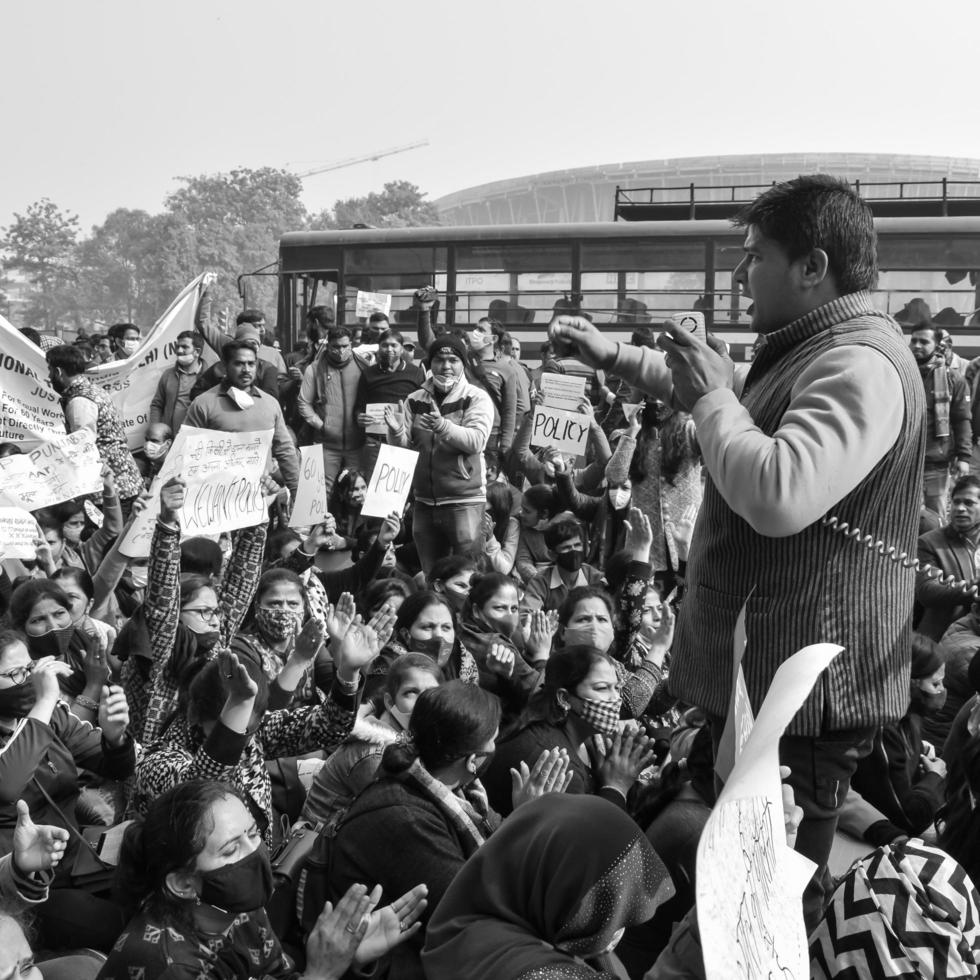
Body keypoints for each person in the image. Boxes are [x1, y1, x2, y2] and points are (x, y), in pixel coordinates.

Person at [549, 174, 927, 929]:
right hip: (768, 688)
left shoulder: (859, 366)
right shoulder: (818, 350)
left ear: (812, 266)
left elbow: (779, 491)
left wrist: (716, 399)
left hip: (802, 706)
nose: (738, 276)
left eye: (753, 257)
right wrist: (613, 354)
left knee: (766, 910)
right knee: (733, 878)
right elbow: (724, 387)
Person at [321, 681, 570, 980]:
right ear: (473, 760)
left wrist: (526, 816)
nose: (496, 747)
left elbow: (496, 845)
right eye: (493, 739)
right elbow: (475, 910)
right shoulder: (405, 818)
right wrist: (529, 824)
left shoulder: (461, 794)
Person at [104, 779, 427, 980]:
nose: (254, 852)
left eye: (253, 834)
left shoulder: (240, 907)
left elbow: (277, 974)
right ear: (184, 884)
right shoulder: (167, 966)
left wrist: (347, 958)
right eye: (231, 849)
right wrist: (322, 974)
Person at [421, 793, 673, 980]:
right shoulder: (546, 973)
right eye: (611, 913)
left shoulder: (469, 927)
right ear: (565, 893)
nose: (617, 932)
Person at [482, 646, 655, 817]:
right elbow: (581, 839)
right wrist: (616, 786)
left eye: (616, 688)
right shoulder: (559, 765)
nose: (615, 699)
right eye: (602, 688)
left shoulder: (587, 741)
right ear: (564, 698)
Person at [386, 335, 494, 577]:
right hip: (423, 503)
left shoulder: (476, 397)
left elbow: (477, 441)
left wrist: (442, 426)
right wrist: (395, 432)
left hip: (464, 501)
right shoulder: (414, 400)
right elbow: (403, 449)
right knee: (433, 575)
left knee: (470, 575)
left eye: (453, 360)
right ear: (429, 364)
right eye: (439, 360)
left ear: (463, 364)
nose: (446, 366)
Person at [300, 653, 443, 830]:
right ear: (390, 702)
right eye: (411, 692)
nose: (422, 702)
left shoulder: (408, 741)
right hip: (322, 848)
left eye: (431, 693)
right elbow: (403, 819)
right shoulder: (375, 753)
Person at [850, 634, 947, 836]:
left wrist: (921, 754)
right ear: (909, 683)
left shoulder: (908, 716)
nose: (942, 691)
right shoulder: (881, 731)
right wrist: (934, 777)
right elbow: (909, 817)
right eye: (936, 684)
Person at [183, 339, 299, 496]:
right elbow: (187, 453)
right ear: (225, 366)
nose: (246, 370)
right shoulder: (203, 404)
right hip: (217, 498)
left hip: (260, 499)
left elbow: (285, 450)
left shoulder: (270, 404)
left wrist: (298, 492)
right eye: (239, 364)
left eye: (251, 364)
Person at [45, 345, 144, 516]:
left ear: (59, 372)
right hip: (125, 482)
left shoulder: (80, 401)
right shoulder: (93, 390)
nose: (49, 376)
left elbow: (83, 447)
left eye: (50, 370)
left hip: (110, 489)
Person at [910, 322, 972, 520]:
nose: (917, 345)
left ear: (936, 346)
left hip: (935, 463)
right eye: (914, 340)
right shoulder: (901, 373)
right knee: (904, 516)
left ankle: (933, 552)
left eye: (923, 341)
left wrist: (963, 457)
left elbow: (961, 420)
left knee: (935, 516)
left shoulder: (953, 379)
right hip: (903, 461)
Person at [298, 326, 367, 495]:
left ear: (351, 345)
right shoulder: (314, 369)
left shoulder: (363, 367)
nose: (341, 351)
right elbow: (303, 403)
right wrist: (321, 425)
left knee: (356, 492)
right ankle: (324, 523)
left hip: (357, 444)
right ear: (328, 346)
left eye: (345, 346)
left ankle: (352, 523)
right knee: (321, 494)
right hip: (326, 444)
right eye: (336, 347)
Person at [915, 474, 980, 641]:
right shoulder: (929, 542)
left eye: (969, 503)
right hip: (946, 637)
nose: (959, 508)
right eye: (956, 502)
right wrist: (974, 587)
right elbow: (927, 591)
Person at [354, 328, 425, 479]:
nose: (389, 349)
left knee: (402, 493)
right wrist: (359, 418)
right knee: (372, 490)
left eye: (394, 345)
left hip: (404, 443)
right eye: (385, 345)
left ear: (401, 349)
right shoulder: (368, 374)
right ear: (379, 348)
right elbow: (359, 406)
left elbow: (423, 408)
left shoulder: (416, 373)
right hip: (375, 443)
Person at [522, 518, 604, 613]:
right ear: (552, 555)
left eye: (577, 545)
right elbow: (526, 615)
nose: (574, 551)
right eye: (566, 547)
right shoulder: (541, 582)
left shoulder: (596, 578)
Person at [465, 318, 519, 456]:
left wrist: (505, 446)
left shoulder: (507, 370)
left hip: (492, 436)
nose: (475, 333)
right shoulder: (463, 361)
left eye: (481, 330)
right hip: (464, 428)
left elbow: (509, 410)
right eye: (476, 328)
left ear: (493, 338)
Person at [149, 329, 205, 433]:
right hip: (170, 438)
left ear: (197, 352)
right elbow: (157, 405)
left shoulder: (209, 376)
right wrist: (155, 431)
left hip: (198, 439)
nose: (179, 350)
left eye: (184, 347)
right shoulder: (168, 375)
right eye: (177, 346)